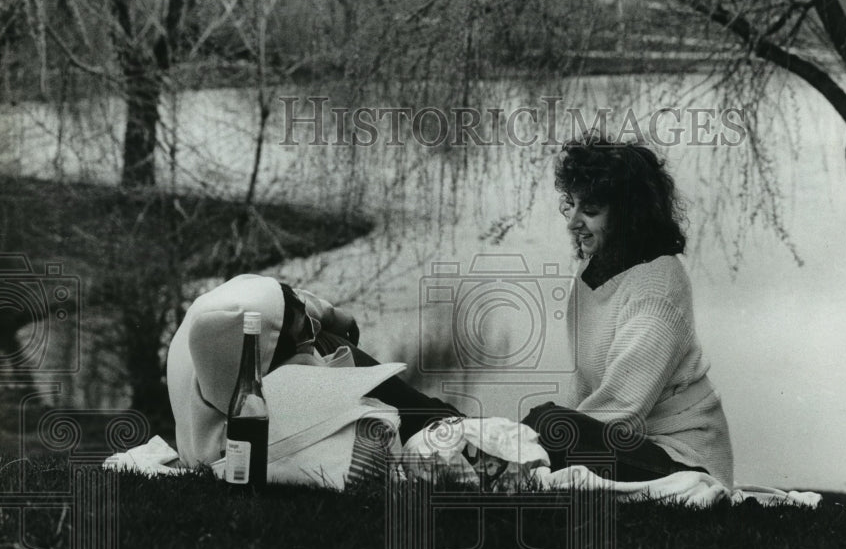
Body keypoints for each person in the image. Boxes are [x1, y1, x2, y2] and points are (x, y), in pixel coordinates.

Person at [519, 134, 735, 487]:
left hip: (683, 461)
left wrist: (537, 447)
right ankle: (404, 400)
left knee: (543, 424)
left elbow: (622, 409)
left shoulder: (658, 287)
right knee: (538, 427)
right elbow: (587, 388)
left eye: (589, 211)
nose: (573, 222)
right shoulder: (592, 270)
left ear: (628, 214)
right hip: (628, 446)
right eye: (571, 205)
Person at [166, 274, 462, 471]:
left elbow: (293, 303)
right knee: (337, 364)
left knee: (329, 342)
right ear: (268, 364)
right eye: (305, 330)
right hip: (272, 411)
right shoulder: (217, 446)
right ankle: (441, 427)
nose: (315, 328)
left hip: (274, 356)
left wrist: (336, 318)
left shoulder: (256, 306)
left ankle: (439, 420)